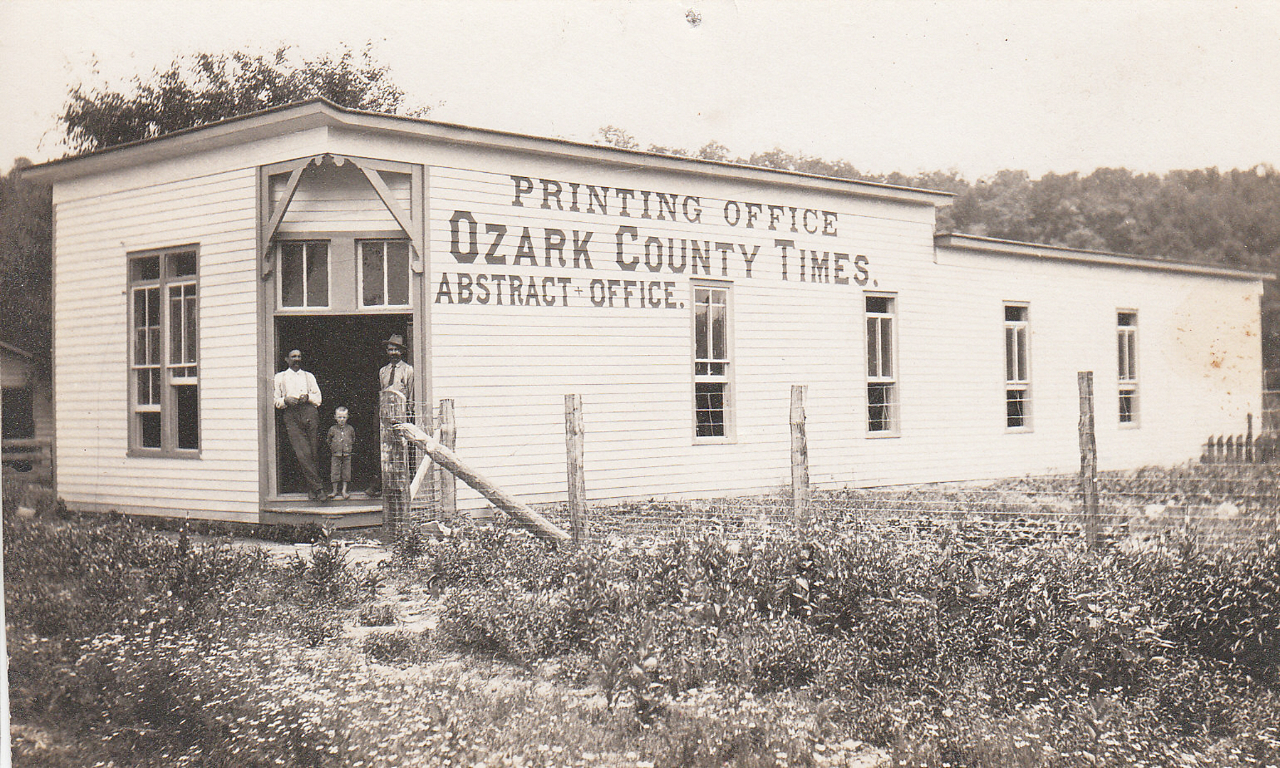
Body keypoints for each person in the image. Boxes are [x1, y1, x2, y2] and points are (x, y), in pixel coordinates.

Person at [273, 349, 326, 501]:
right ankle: (319, 488)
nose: (296, 359)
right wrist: (285, 400)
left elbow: (318, 398)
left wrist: (308, 397)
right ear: (286, 359)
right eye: (293, 357)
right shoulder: (280, 377)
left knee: (313, 451)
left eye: (299, 356)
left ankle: (312, 488)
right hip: (291, 414)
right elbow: (275, 400)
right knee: (302, 453)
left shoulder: (308, 376)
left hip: (309, 412)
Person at [367, 334, 414, 498]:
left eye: (396, 349)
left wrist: (407, 413)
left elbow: (410, 394)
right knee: (380, 446)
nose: (393, 352)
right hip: (383, 410)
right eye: (390, 349)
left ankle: (400, 485)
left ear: (401, 351)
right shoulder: (383, 371)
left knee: (399, 446)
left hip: (399, 411)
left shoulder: (408, 370)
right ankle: (380, 483)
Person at [327, 406, 356, 500]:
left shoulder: (350, 429)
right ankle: (334, 490)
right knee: (335, 472)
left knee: (346, 472)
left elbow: (353, 439)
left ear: (347, 417)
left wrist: (348, 447)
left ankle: (344, 490)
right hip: (336, 454)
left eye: (344, 417)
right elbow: (329, 440)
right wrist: (334, 448)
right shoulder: (332, 429)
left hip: (347, 454)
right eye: (339, 417)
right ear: (335, 417)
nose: (342, 419)